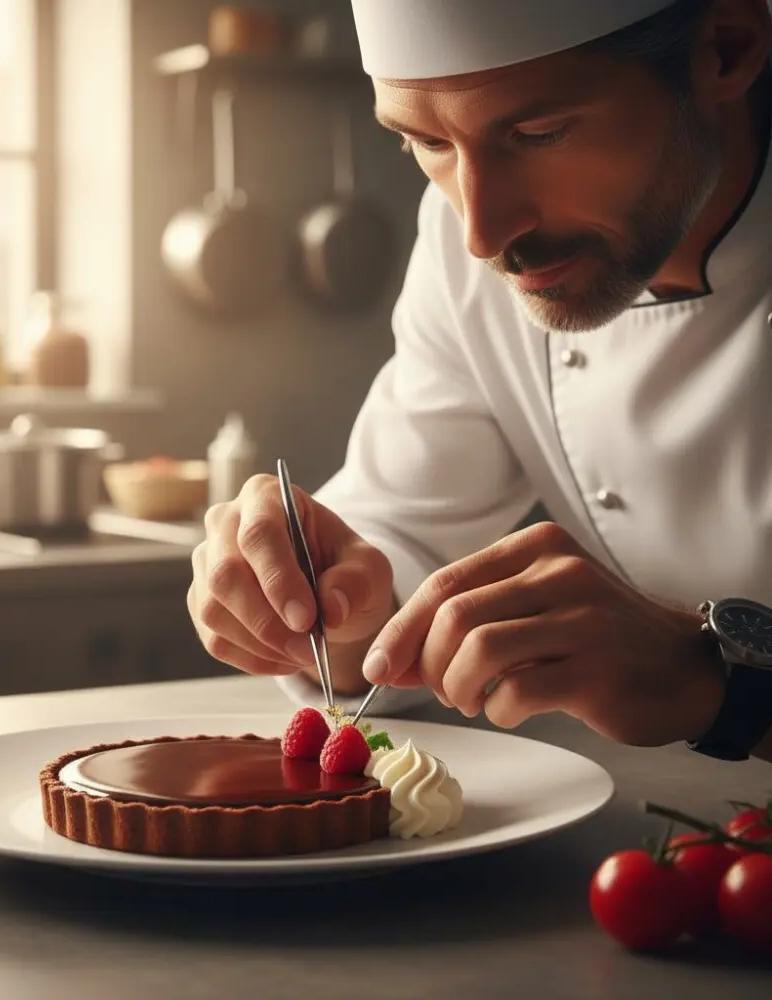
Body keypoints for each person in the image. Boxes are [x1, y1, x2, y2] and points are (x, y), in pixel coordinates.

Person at [187, 0, 772, 764]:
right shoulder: (459, 239)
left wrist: (720, 683)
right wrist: (337, 602)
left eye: (539, 134)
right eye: (425, 143)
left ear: (725, 51)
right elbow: (407, 525)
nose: (483, 233)